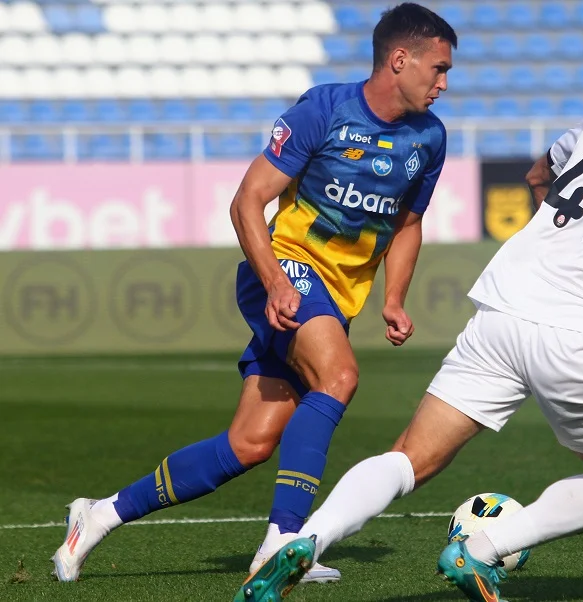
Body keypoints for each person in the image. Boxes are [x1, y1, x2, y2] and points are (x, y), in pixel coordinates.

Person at [238, 40, 583, 602]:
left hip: (504, 306)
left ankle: (307, 538)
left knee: (409, 457)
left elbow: (538, 174)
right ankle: (482, 549)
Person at [51, 3, 456, 594]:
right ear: (400, 59)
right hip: (285, 269)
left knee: (249, 443)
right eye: (438, 69)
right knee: (339, 376)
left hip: (335, 299)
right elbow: (247, 200)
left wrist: (393, 297)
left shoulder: (430, 138)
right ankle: (281, 542)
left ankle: (99, 515)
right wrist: (275, 280)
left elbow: (408, 223)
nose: (444, 84)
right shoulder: (324, 110)